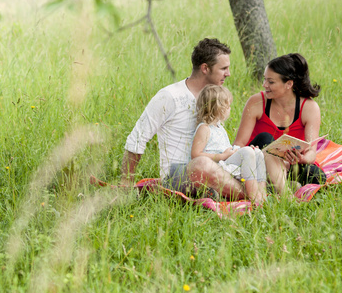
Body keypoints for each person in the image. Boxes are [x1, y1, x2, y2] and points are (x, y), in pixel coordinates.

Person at [121, 38, 244, 200]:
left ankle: (250, 189)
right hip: (180, 175)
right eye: (223, 68)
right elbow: (137, 137)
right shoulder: (170, 96)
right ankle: (255, 196)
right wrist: (126, 182)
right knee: (202, 164)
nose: (228, 73)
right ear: (205, 68)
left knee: (259, 152)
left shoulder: (215, 97)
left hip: (220, 168)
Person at [234, 53, 324, 195]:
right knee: (266, 138)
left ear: (289, 84)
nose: (265, 85)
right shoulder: (257, 102)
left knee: (316, 175)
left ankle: (276, 185)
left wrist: (302, 158)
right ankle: (286, 194)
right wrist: (249, 152)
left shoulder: (309, 108)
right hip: (258, 162)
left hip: (291, 165)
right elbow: (239, 144)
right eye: (265, 80)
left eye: (271, 82)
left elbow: (311, 152)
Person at [191, 85, 267, 205]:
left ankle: (262, 194)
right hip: (217, 166)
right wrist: (222, 156)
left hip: (226, 162)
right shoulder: (204, 128)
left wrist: (237, 151)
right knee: (247, 152)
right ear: (219, 108)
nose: (230, 109)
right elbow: (195, 155)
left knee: (257, 153)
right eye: (228, 106)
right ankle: (254, 197)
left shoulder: (220, 128)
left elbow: (226, 149)